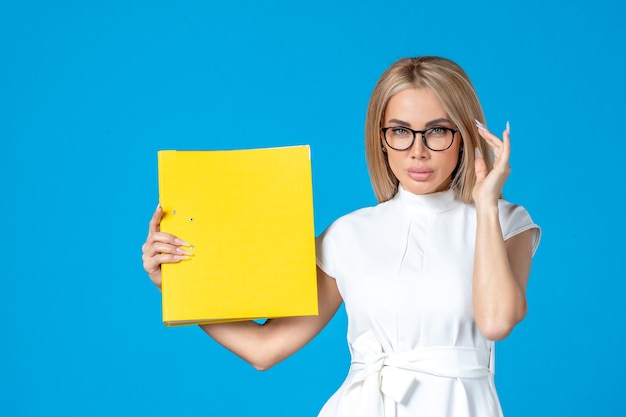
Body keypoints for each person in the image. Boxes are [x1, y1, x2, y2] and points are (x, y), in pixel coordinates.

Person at [141, 56, 541, 417]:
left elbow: (496, 322)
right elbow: (264, 349)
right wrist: (179, 286)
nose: (417, 151)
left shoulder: (506, 223)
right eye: (400, 131)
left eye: (437, 131)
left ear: (466, 136)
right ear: (381, 139)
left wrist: (486, 203)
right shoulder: (348, 234)